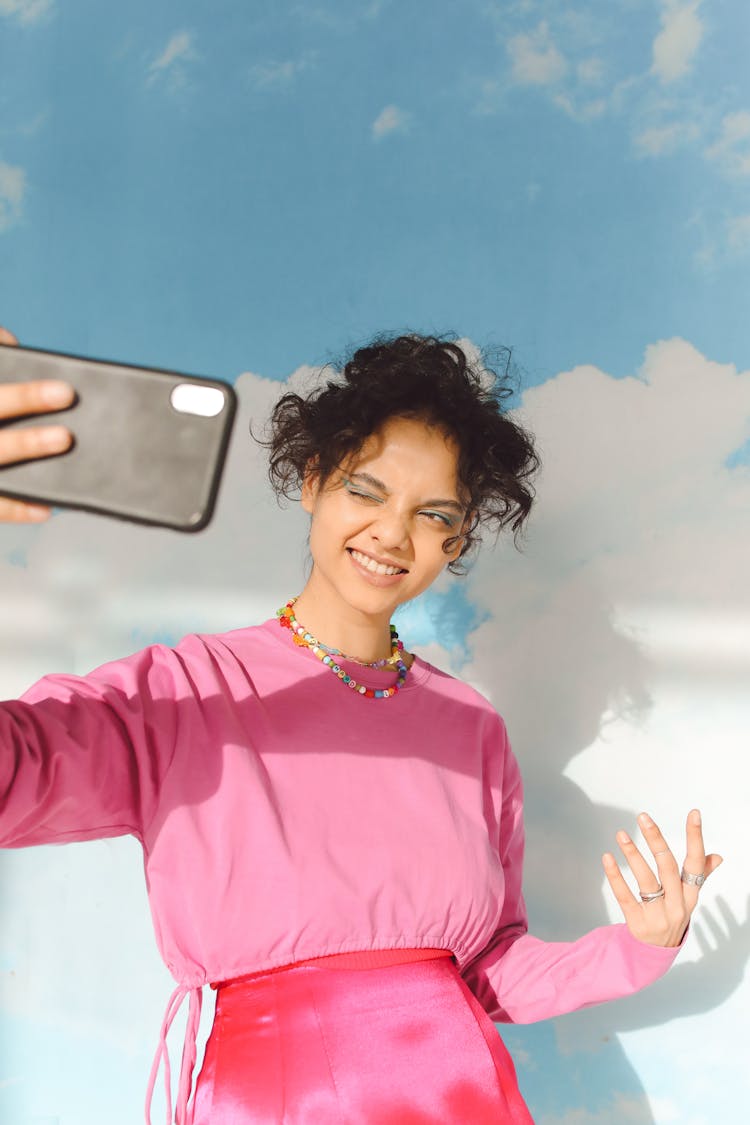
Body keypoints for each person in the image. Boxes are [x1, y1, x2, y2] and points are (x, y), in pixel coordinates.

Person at [0, 325, 721, 1125]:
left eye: (432, 513)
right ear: (312, 480)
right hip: (273, 1102)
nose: (390, 533)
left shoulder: (473, 726)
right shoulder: (186, 692)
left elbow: (488, 973)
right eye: (365, 490)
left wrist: (637, 947)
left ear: (456, 537)